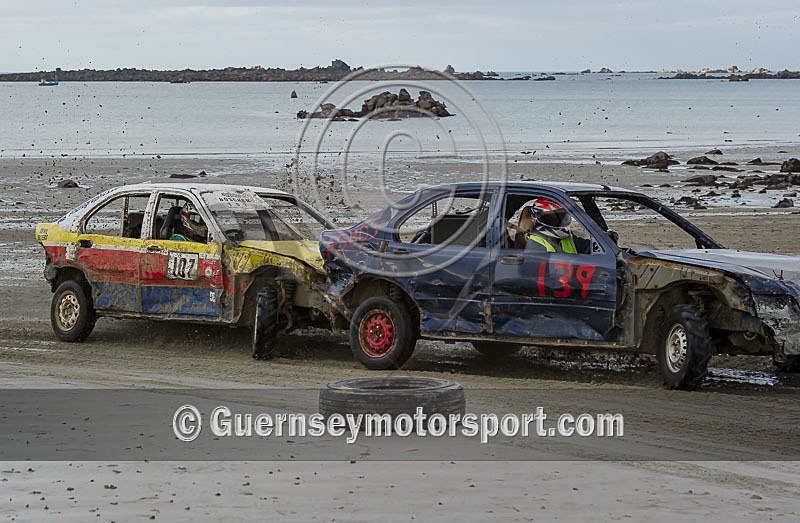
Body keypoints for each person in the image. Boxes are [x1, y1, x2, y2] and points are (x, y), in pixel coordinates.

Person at [516, 198, 587, 254]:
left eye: (562, 217)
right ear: (536, 218)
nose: (559, 221)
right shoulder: (536, 245)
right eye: (552, 218)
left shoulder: (567, 237)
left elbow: (587, 246)